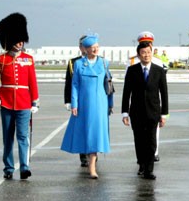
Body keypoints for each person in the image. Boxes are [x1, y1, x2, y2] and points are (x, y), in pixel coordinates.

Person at [0, 12, 39, 180]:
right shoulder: (1, 59)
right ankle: (8, 167)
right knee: (8, 138)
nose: (20, 42)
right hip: (6, 103)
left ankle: (24, 167)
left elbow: (32, 82)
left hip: (24, 103)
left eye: (22, 39)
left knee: (23, 136)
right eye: (17, 39)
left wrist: (35, 101)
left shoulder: (28, 59)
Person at [60, 34, 113, 179]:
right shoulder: (78, 64)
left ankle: (92, 166)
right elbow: (75, 85)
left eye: (97, 47)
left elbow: (109, 84)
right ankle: (87, 160)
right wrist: (74, 104)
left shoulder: (104, 63)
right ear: (85, 49)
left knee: (96, 133)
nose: (95, 50)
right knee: (85, 132)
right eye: (92, 47)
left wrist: (110, 104)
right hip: (84, 103)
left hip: (100, 103)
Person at [122, 41, 169, 180]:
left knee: (151, 141)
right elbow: (126, 93)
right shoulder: (132, 70)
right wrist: (125, 112)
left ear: (151, 53)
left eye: (148, 52)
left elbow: (164, 93)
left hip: (153, 112)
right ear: (138, 55)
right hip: (136, 112)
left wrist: (164, 114)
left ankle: (149, 169)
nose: (146, 55)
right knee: (139, 140)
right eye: (143, 53)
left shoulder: (159, 71)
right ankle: (141, 164)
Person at [128, 31, 165, 161]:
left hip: (153, 102)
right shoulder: (132, 62)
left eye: (149, 43)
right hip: (138, 104)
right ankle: (142, 158)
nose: (147, 46)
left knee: (154, 132)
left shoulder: (158, 62)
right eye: (145, 44)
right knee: (140, 134)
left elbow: (161, 85)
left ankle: (154, 153)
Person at [63, 35, 90, 167]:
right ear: (80, 47)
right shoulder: (73, 62)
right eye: (84, 45)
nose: (86, 48)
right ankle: (83, 156)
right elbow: (69, 83)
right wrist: (68, 100)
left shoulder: (100, 61)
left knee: (93, 128)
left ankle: (93, 153)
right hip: (78, 101)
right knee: (81, 128)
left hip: (93, 100)